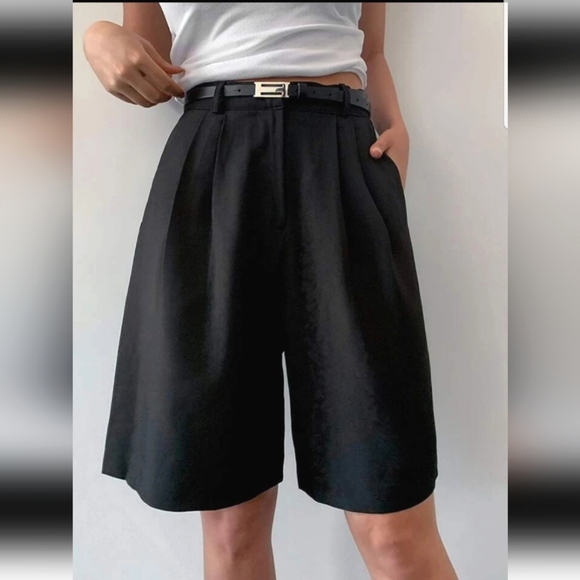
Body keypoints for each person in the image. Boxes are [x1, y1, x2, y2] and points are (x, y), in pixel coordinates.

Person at [83, 3, 459, 579]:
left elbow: (372, 48)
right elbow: (151, 64)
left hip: (341, 155)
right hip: (213, 161)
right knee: (231, 526)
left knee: (392, 525)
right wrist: (97, 37)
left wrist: (395, 127)